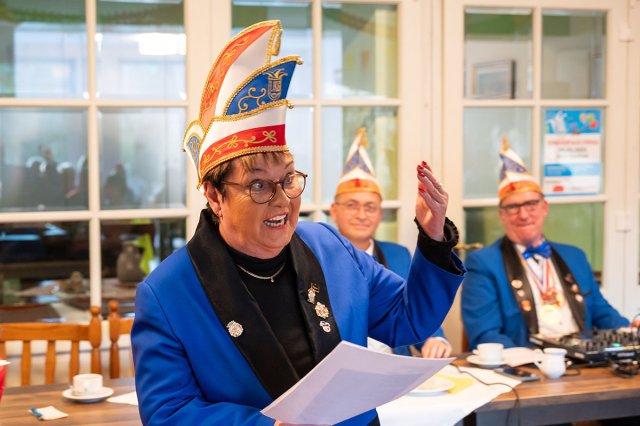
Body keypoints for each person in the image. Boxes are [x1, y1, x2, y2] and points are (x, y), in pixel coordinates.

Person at [132, 20, 464, 426]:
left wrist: (432, 238)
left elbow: (408, 320)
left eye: (289, 179)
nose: (283, 200)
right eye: (258, 185)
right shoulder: (167, 292)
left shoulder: (327, 244)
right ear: (215, 196)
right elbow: (168, 412)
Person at [461, 139, 636, 349]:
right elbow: (485, 335)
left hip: (582, 361)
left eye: (530, 204)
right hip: (527, 362)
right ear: (502, 215)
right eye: (513, 207)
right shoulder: (483, 263)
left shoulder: (575, 256)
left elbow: (602, 312)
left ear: (544, 207)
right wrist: (532, 361)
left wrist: (630, 332)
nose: (523, 214)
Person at [330, 128, 452, 358]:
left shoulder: (399, 255)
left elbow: (416, 308)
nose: (361, 215)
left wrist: (434, 338)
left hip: (395, 366)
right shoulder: (320, 258)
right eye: (351, 205)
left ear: (379, 215)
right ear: (334, 211)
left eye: (370, 207)